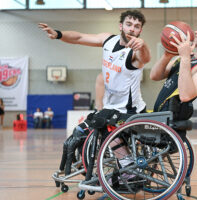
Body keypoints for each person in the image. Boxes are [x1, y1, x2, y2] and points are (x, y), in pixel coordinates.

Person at [39, 10, 151, 175]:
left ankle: (128, 168)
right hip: (111, 107)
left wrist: (144, 46)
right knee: (79, 133)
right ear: (121, 26)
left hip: (129, 111)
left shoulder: (135, 52)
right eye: (129, 24)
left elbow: (145, 59)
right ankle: (83, 166)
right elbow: (79, 38)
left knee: (103, 127)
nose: (132, 29)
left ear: (140, 31)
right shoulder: (108, 40)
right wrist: (58, 34)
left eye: (137, 26)